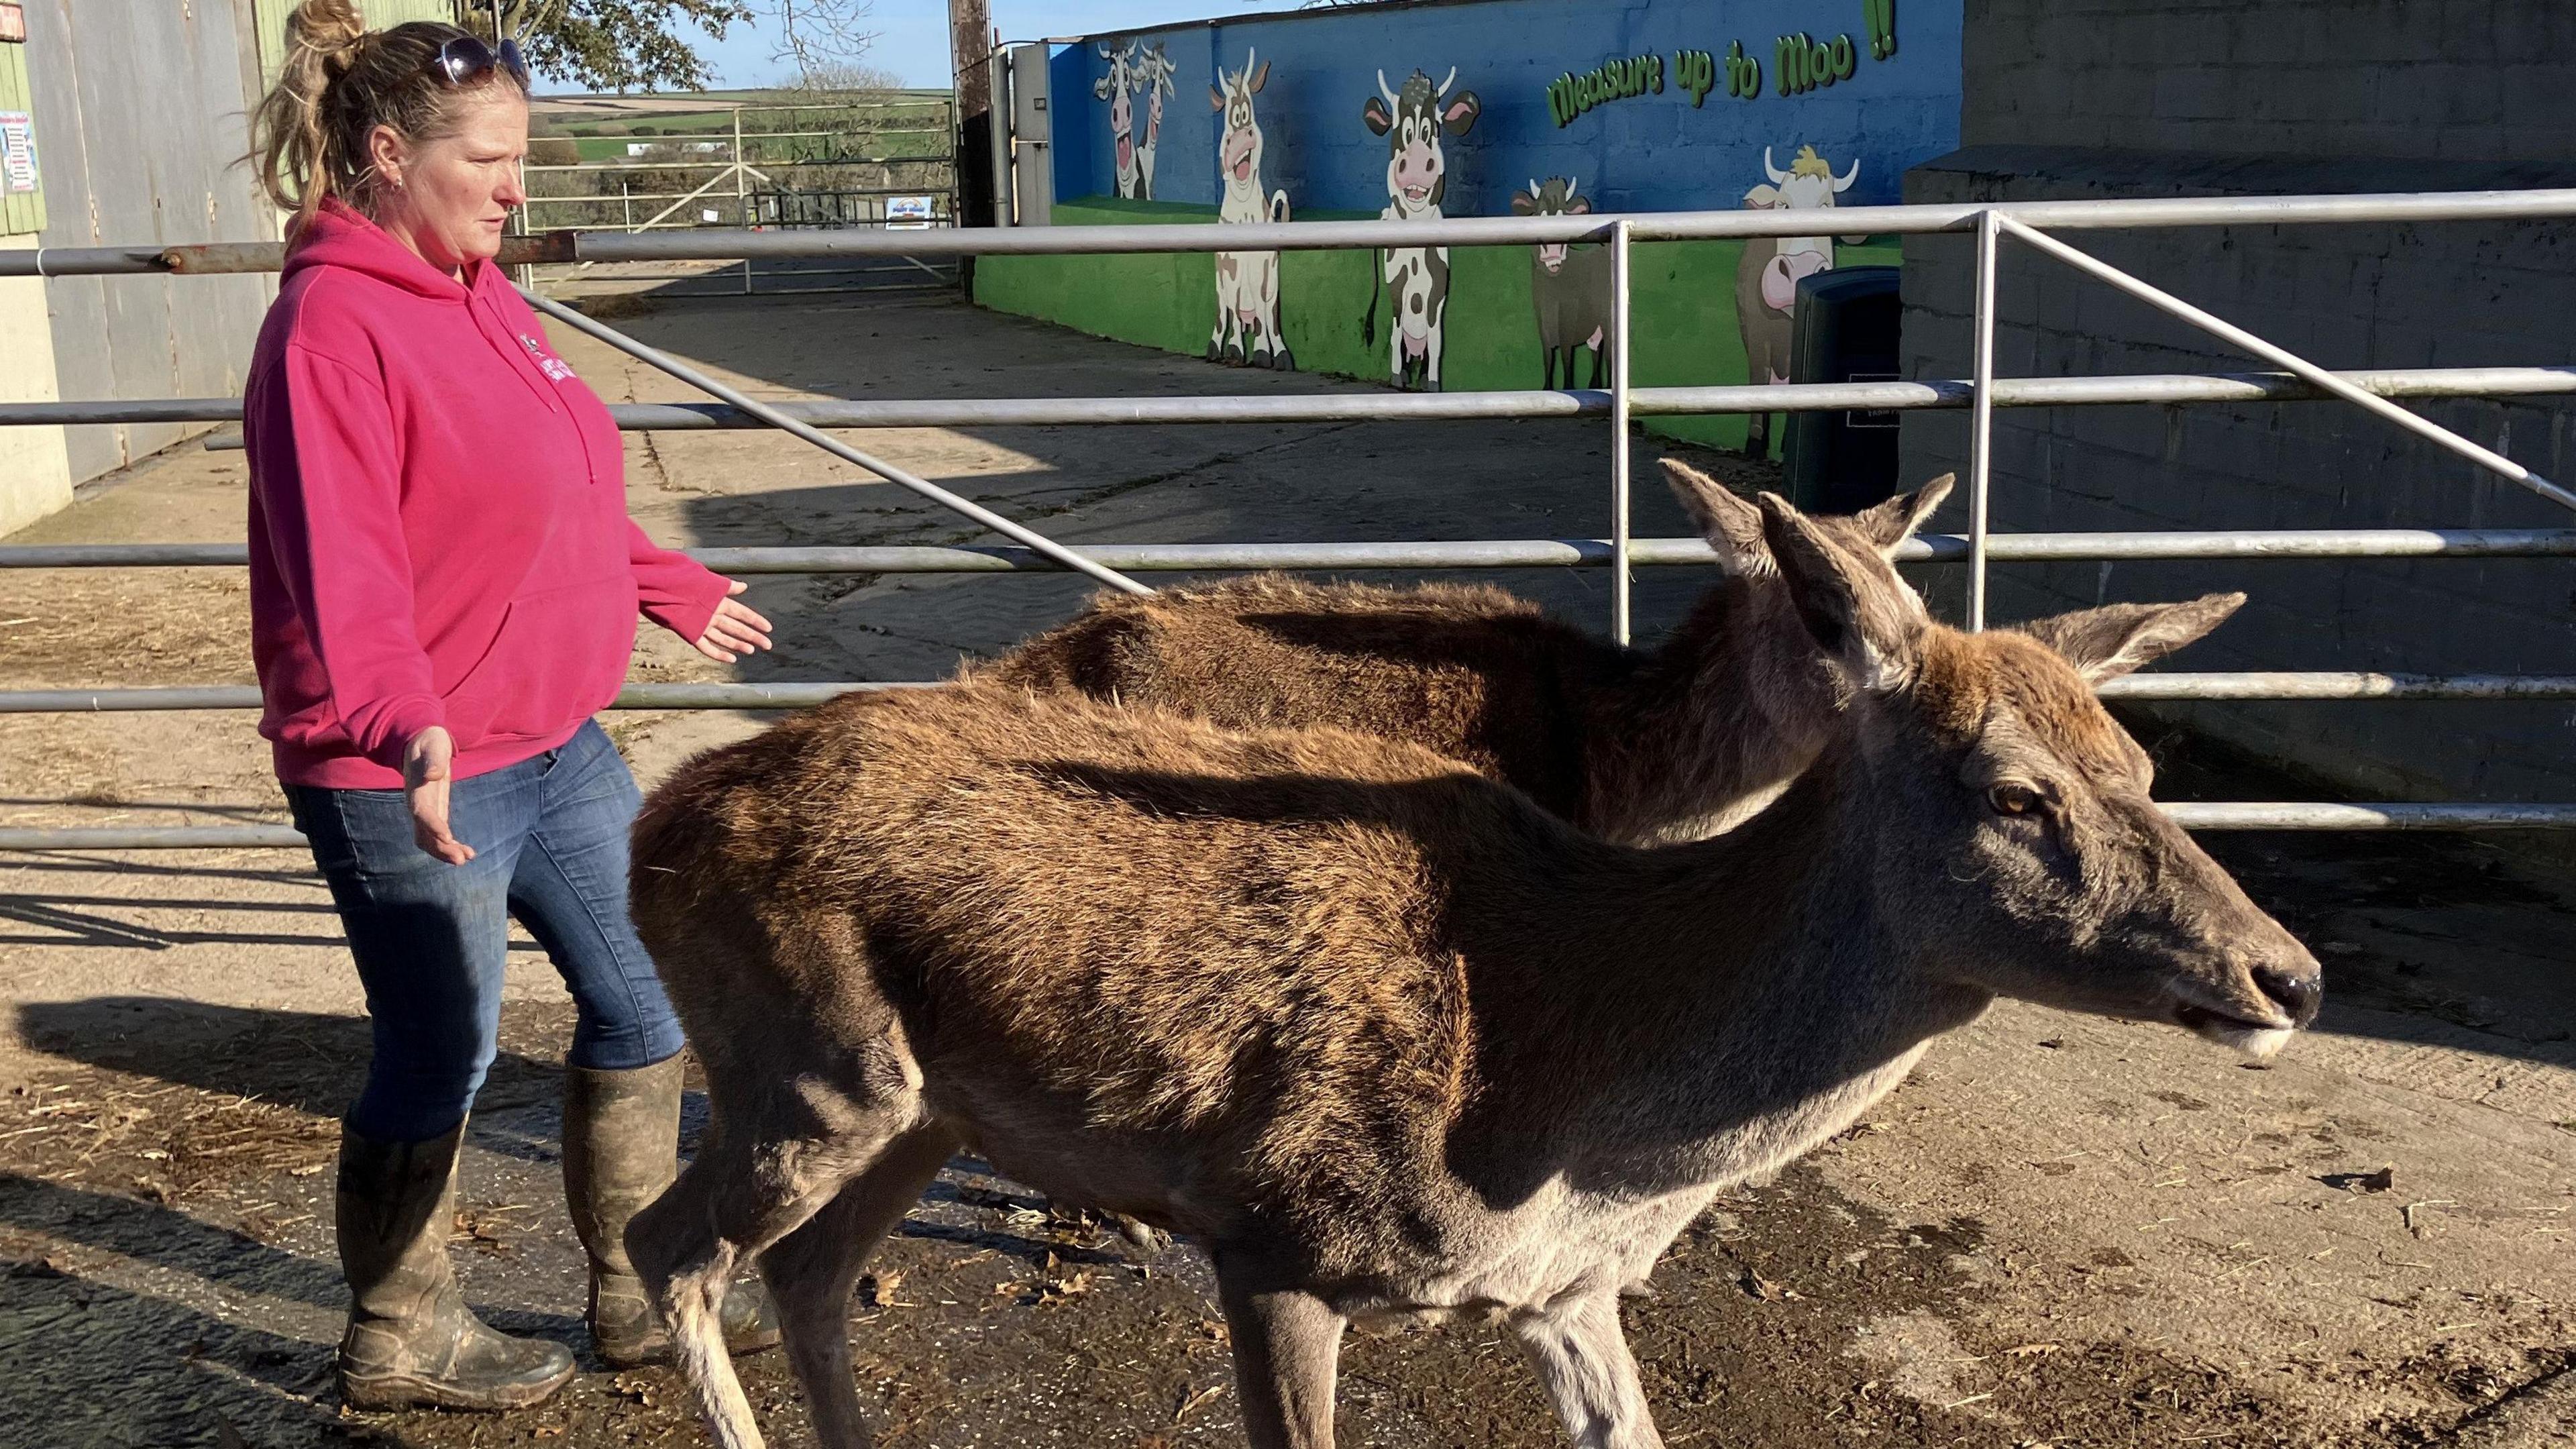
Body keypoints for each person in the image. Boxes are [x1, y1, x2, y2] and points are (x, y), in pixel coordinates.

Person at [244, 0, 780, 1411]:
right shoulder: (330, 329)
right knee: (447, 1052)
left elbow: (560, 482)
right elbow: (341, 562)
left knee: (645, 997)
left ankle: (642, 1283)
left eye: (518, 153)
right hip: (415, 764)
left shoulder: (482, 292)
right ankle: (398, 1334)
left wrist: (659, 579)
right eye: (487, 156)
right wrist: (399, 718)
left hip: (556, 741)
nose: (514, 183)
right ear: (384, 154)